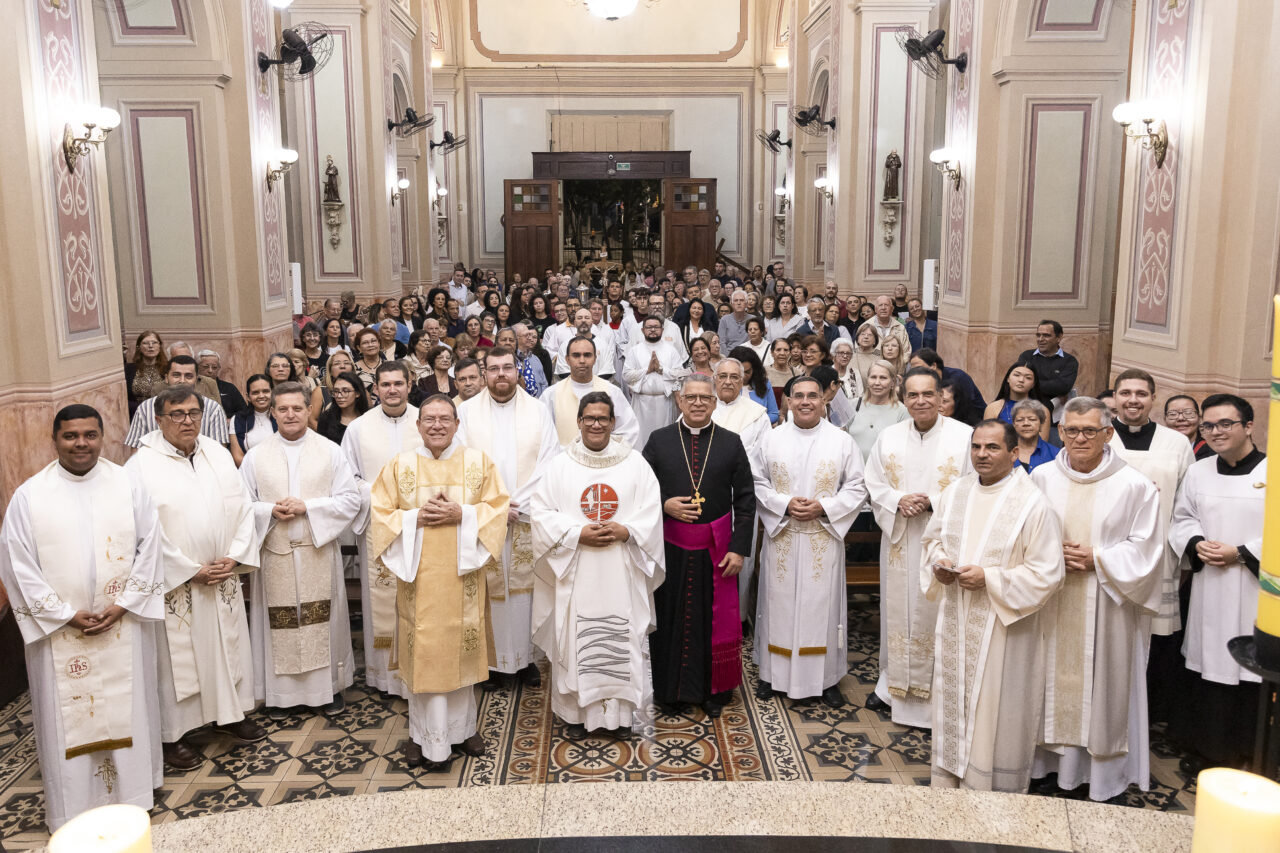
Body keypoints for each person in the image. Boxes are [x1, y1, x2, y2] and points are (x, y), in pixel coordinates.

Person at [0, 405, 166, 831]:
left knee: (130, 705)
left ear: (102, 437)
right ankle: (73, 805)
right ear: (54, 439)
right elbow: (17, 563)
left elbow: (151, 546)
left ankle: (133, 795)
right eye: (71, 435)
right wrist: (63, 615)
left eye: (90, 435)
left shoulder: (127, 484)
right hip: (60, 631)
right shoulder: (30, 496)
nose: (81, 444)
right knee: (65, 717)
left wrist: (125, 603)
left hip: (122, 621)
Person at [1030, 397, 1162, 804]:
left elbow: (1148, 548)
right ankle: (1046, 768)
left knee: (1103, 689)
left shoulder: (1135, 485)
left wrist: (1097, 558)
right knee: (1045, 683)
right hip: (1051, 601)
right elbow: (1022, 533)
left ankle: (1100, 777)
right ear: (1060, 432)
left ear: (1108, 433)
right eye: (1071, 430)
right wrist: (1051, 555)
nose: (1080, 438)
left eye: (1090, 430)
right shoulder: (1041, 478)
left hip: (1107, 602)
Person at [921, 420, 1064, 792]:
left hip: (1003, 631)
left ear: (1014, 453)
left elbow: (1048, 573)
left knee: (993, 710)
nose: (982, 455)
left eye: (992, 447)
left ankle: (990, 791)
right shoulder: (956, 492)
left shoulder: (1033, 504)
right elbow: (932, 540)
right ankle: (949, 778)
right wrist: (940, 564)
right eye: (976, 447)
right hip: (956, 617)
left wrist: (990, 578)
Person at [126, 386, 262, 770]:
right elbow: (141, 531)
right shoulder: (140, 467)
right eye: (177, 414)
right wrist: (188, 569)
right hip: (177, 584)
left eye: (193, 413)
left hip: (221, 575)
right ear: (158, 419)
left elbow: (243, 508)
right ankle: (173, 735)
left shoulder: (216, 453)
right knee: (175, 662)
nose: (187, 421)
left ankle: (228, 715)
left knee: (225, 648)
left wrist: (234, 556)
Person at [370, 394, 507, 767]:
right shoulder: (400, 466)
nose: (436, 425)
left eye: (445, 418)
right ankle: (422, 735)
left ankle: (463, 730)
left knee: (461, 650)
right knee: (424, 655)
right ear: (418, 425)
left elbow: (498, 509)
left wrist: (462, 514)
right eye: (429, 419)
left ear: (457, 424)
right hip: (419, 582)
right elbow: (380, 514)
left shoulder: (478, 463)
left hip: (463, 581)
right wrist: (415, 518)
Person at [531, 392, 665, 739]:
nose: (595, 424)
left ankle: (620, 718)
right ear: (578, 422)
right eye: (589, 418)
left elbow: (651, 511)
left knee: (623, 638)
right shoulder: (560, 465)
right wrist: (576, 534)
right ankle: (576, 716)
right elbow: (541, 514)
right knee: (576, 640)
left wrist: (627, 531)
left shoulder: (634, 464)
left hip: (621, 568)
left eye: (602, 418)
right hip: (576, 570)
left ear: (613, 422)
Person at [863, 367, 973, 727]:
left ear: (941, 397)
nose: (921, 401)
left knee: (937, 612)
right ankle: (890, 686)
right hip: (899, 538)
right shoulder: (889, 437)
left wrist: (932, 502)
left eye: (928, 394)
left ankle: (939, 695)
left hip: (944, 541)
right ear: (903, 398)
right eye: (913, 395)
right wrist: (897, 500)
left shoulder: (964, 437)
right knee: (897, 611)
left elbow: (975, 484)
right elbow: (873, 481)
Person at [644, 375, 756, 718]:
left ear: (714, 403)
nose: (697, 403)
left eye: (704, 398)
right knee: (670, 619)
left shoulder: (731, 442)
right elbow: (640, 489)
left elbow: (746, 500)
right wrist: (664, 504)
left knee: (713, 621)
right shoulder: (659, 440)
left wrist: (738, 548)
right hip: (670, 550)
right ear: (679, 401)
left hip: (717, 551)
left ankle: (713, 691)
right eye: (690, 397)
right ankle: (669, 692)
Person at [753, 376, 867, 706]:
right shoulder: (771, 439)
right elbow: (757, 482)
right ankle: (772, 675)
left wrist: (825, 508)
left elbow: (857, 486)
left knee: (822, 609)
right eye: (799, 396)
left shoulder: (841, 441)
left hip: (822, 538)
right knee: (778, 606)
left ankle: (825, 679)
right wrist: (784, 504)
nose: (806, 402)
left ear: (823, 401)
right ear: (788, 401)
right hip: (783, 536)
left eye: (813, 396)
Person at [1168, 393, 1267, 772]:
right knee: (1208, 663)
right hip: (1210, 586)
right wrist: (1196, 543)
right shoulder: (1199, 471)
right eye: (1208, 425)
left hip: (1254, 589)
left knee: (1249, 669)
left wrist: (1241, 552)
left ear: (1248, 426)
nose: (1215, 431)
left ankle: (1248, 752)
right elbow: (1183, 517)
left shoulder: (1272, 471)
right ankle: (1207, 749)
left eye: (1226, 423)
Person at [457, 348, 560, 689]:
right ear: (484, 373)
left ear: (517, 371)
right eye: (493, 368)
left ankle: (526, 659)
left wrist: (518, 504)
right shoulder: (466, 413)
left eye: (507, 367)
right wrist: (495, 508)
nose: (501, 374)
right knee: (488, 591)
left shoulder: (538, 410)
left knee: (525, 591)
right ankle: (490, 662)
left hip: (526, 516)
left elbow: (549, 461)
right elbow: (459, 463)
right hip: (482, 517)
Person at [1105, 368, 1196, 726]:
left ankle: (1148, 718)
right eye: (1125, 393)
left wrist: (1183, 560)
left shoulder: (1177, 443)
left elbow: (1187, 505)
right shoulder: (1098, 436)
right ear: (1115, 397)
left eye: (1141, 394)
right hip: (1107, 558)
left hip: (1160, 557)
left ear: (1153, 399)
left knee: (1156, 641)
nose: (1133, 400)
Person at [340, 362, 423, 698]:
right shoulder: (358, 429)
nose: (392, 390)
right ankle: (385, 678)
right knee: (382, 599)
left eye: (398, 383)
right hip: (378, 523)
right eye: (385, 384)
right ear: (374, 388)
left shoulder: (426, 420)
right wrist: (381, 496)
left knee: (420, 598)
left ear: (409, 385)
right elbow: (348, 478)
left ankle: (420, 671)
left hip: (420, 525)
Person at [711, 359, 770, 616]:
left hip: (740, 498)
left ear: (743, 380)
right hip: (704, 497)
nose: (728, 381)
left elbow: (763, 458)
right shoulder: (701, 406)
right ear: (714, 379)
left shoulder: (757, 415)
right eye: (722, 376)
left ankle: (738, 617)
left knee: (738, 558)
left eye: (734, 377)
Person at [541, 336, 640, 448]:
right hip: (564, 456)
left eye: (587, 355)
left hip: (603, 456)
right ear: (567, 360)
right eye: (576, 355)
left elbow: (628, 429)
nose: (582, 360)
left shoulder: (612, 392)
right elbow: (543, 433)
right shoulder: (551, 394)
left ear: (595, 359)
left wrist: (605, 451)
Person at [124, 355, 229, 448]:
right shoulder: (146, 408)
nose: (182, 380)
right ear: (166, 378)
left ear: (196, 380)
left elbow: (219, 452)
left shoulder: (213, 409)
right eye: (176, 375)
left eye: (188, 376)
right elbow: (137, 450)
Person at [623, 316, 686, 448]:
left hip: (665, 402)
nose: (652, 330)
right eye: (649, 327)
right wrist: (647, 370)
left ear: (662, 329)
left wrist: (661, 369)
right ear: (642, 330)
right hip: (641, 402)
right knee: (641, 441)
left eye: (656, 327)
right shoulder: (635, 351)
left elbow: (680, 374)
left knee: (664, 441)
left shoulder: (671, 350)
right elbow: (626, 375)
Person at [1017, 321, 1079, 444]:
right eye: (1038, 335)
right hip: (1026, 416)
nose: (1040, 339)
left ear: (1059, 337)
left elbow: (1062, 387)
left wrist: (1032, 384)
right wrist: (1050, 386)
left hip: (1054, 422)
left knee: (1051, 452)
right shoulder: (1027, 356)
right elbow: (1020, 383)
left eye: (1046, 335)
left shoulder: (1069, 361)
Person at [844, 360, 908, 465]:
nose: (877, 383)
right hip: (853, 471)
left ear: (893, 382)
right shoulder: (853, 405)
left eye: (883, 378)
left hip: (884, 472)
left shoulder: (902, 411)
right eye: (873, 377)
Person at [908, 348, 986, 427]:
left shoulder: (958, 377)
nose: (916, 372)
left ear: (933, 366)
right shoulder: (923, 381)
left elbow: (966, 407)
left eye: (919, 368)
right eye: (912, 369)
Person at [984, 362, 1049, 438]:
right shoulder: (993, 407)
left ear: (1033, 384)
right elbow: (986, 438)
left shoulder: (1042, 410)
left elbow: (1042, 442)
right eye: (1017, 375)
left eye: (1028, 378)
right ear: (1008, 378)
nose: (1021, 380)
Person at [229, 374, 276, 467]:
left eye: (265, 391)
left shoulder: (281, 415)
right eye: (255, 392)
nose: (261, 396)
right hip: (250, 472)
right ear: (248, 397)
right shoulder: (238, 419)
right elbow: (238, 457)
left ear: (272, 393)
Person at [727, 346, 779, 426]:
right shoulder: (725, 385)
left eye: (747, 372)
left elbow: (774, 414)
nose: (744, 376)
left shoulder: (764, 383)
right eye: (739, 372)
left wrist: (755, 423)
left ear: (754, 369)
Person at [315, 371, 369, 445]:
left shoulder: (368, 418)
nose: (339, 396)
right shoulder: (326, 419)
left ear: (357, 393)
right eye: (336, 391)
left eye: (345, 391)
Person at [309, 350, 356, 428]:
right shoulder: (320, 392)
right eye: (337, 363)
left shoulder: (360, 390)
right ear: (330, 370)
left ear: (352, 368)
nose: (342, 366)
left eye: (347, 363)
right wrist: (328, 434)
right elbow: (311, 421)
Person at [125, 331, 168, 416]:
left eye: (154, 342)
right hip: (136, 413)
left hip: (163, 414)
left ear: (160, 346)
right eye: (145, 343)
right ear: (139, 347)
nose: (150, 346)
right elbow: (124, 399)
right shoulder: (129, 369)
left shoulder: (168, 369)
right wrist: (143, 408)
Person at [197, 349, 247, 418]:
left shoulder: (229, 388)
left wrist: (231, 420)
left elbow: (244, 411)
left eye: (214, 367)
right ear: (197, 367)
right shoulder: (192, 387)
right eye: (205, 367)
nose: (210, 371)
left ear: (219, 368)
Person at [1011, 400, 1059, 472]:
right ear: (1014, 425)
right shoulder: (1004, 452)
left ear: (1041, 424)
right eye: (1020, 420)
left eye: (1032, 419)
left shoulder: (1056, 455)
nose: (1026, 423)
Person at [1164, 394, 1214, 460]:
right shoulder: (1156, 449)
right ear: (1165, 419)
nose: (1181, 418)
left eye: (1188, 413)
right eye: (1173, 414)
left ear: (1199, 419)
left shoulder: (1213, 452)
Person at [848, 323, 882, 393]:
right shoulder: (849, 354)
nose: (866, 337)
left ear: (875, 340)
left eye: (870, 335)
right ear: (857, 339)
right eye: (862, 334)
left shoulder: (880, 355)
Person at [352, 328, 385, 395]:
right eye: (365, 342)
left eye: (373, 341)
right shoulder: (353, 369)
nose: (370, 345)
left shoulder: (390, 366)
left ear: (379, 343)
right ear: (359, 348)